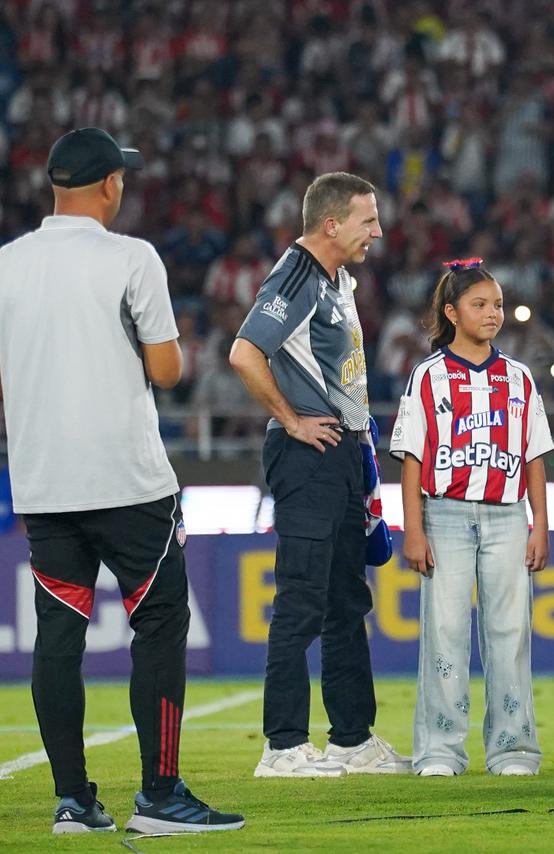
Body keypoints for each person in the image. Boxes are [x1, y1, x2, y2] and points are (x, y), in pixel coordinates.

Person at [0, 127, 242, 833]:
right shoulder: (132, 257)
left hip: (44, 481)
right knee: (161, 623)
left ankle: (74, 800)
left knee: (59, 635)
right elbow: (167, 371)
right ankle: (161, 795)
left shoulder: (8, 263)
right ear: (109, 185)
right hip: (128, 478)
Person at [229, 171, 410, 778]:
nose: (377, 231)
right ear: (331, 224)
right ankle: (282, 747)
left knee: (344, 600)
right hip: (308, 455)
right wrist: (293, 419)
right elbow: (244, 352)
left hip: (343, 453)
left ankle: (351, 739)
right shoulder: (299, 275)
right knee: (302, 600)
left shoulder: (335, 279)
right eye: (368, 220)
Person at [389, 260, 553, 777]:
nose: (492, 313)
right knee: (445, 633)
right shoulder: (427, 376)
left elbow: (534, 458)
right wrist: (412, 529)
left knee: (510, 632)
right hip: (444, 516)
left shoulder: (520, 378)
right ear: (451, 312)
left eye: (498, 304)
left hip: (508, 517)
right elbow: (412, 459)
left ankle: (514, 750)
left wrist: (539, 524)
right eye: (480, 304)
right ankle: (440, 751)